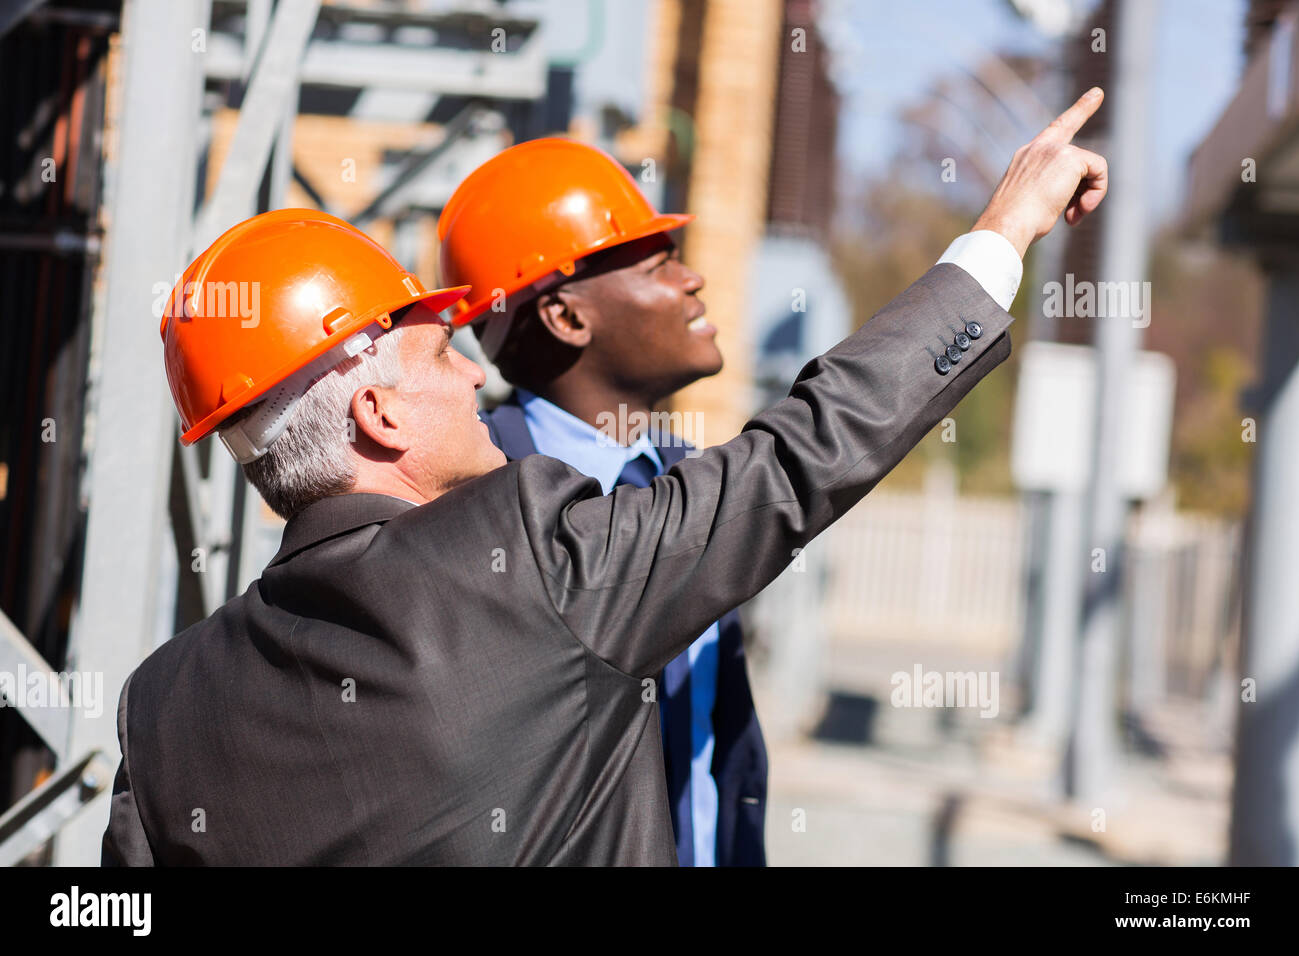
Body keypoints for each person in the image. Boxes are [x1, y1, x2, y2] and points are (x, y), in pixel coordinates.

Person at [102, 89, 1108, 866]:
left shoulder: (161, 708)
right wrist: (1002, 234)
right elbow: (796, 458)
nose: (469, 368)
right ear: (378, 413)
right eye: (437, 352)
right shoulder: (526, 557)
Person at [438, 139, 768, 866]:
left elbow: (724, 759)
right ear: (565, 317)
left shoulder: (687, 478)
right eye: (659, 265)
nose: (694, 279)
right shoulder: (469, 504)